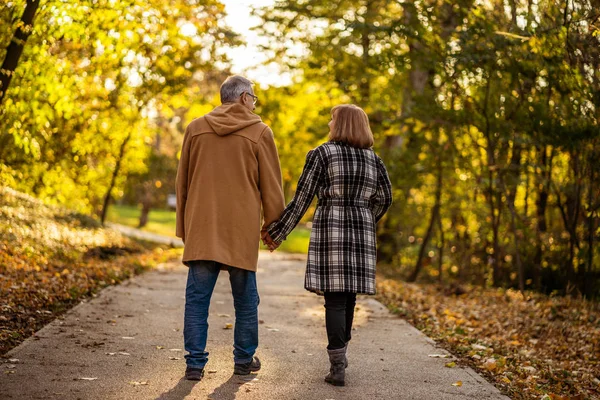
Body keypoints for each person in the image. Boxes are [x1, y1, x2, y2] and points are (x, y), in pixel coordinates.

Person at [263, 104, 393, 387]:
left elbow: (302, 199)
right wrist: (367, 218)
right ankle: (341, 358)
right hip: (362, 227)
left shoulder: (322, 153)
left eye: (333, 119)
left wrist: (277, 232)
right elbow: (385, 198)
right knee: (348, 297)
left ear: (343, 124)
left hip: (332, 225)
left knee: (335, 297)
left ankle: (337, 366)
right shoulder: (375, 160)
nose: (329, 123)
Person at [176, 75, 285, 381]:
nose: (254, 103)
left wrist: (184, 227)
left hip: (202, 226)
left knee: (197, 300)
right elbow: (272, 187)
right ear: (242, 98)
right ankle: (243, 360)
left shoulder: (195, 129)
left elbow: (182, 182)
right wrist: (272, 228)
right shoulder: (260, 132)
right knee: (246, 300)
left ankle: (194, 364)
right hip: (240, 229)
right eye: (254, 98)